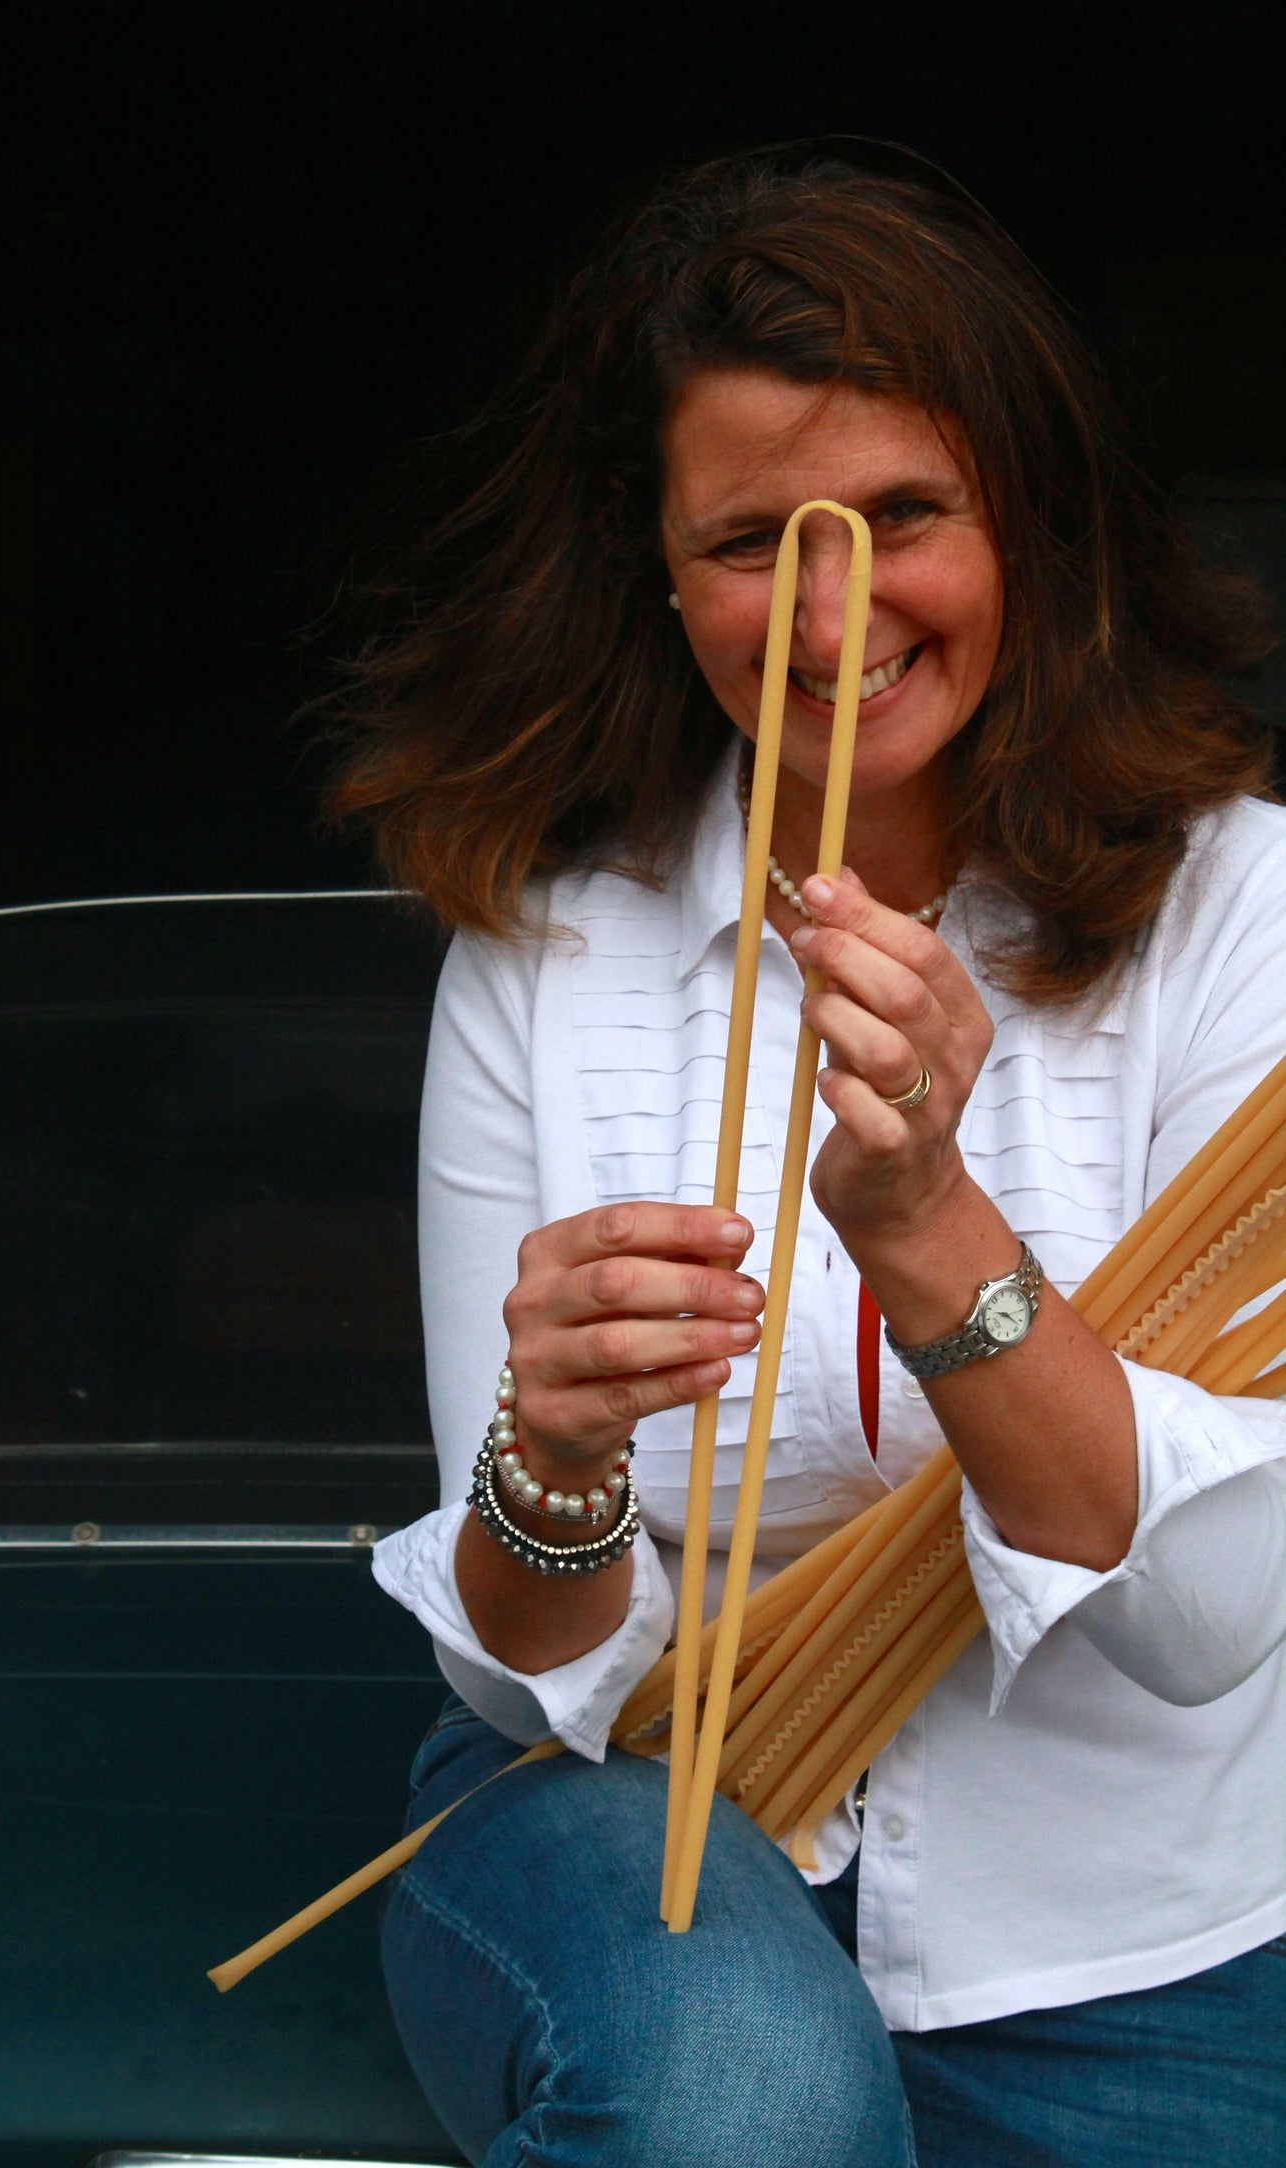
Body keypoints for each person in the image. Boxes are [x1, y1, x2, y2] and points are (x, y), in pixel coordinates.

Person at [325, 148, 1286, 2167]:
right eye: (753, 541)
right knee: (740, 2101)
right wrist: (558, 1462)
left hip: (1130, 1931)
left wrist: (932, 1226)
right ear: (662, 579)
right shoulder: (544, 953)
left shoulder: (1245, 923)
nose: (835, 616)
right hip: (625, 1825)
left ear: (1020, 520)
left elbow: (1212, 1618)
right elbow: (528, 1680)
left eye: (904, 518)